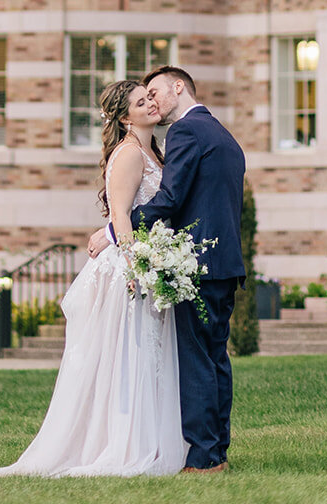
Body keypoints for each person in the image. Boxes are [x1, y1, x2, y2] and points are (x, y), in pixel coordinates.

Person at [0, 78, 187, 479]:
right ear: (125, 117)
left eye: (149, 99)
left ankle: (150, 438)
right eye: (141, 103)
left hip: (145, 259)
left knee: (144, 356)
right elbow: (121, 215)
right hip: (129, 268)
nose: (151, 106)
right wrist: (136, 264)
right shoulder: (128, 154)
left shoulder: (151, 150)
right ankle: (120, 445)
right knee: (125, 358)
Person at [87, 65, 246, 474]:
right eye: (144, 99)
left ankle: (205, 458)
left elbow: (171, 199)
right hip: (224, 263)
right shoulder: (223, 134)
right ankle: (218, 451)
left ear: (179, 87)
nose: (153, 102)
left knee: (196, 361)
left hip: (198, 264)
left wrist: (110, 229)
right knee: (214, 360)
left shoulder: (185, 132)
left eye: (155, 93)